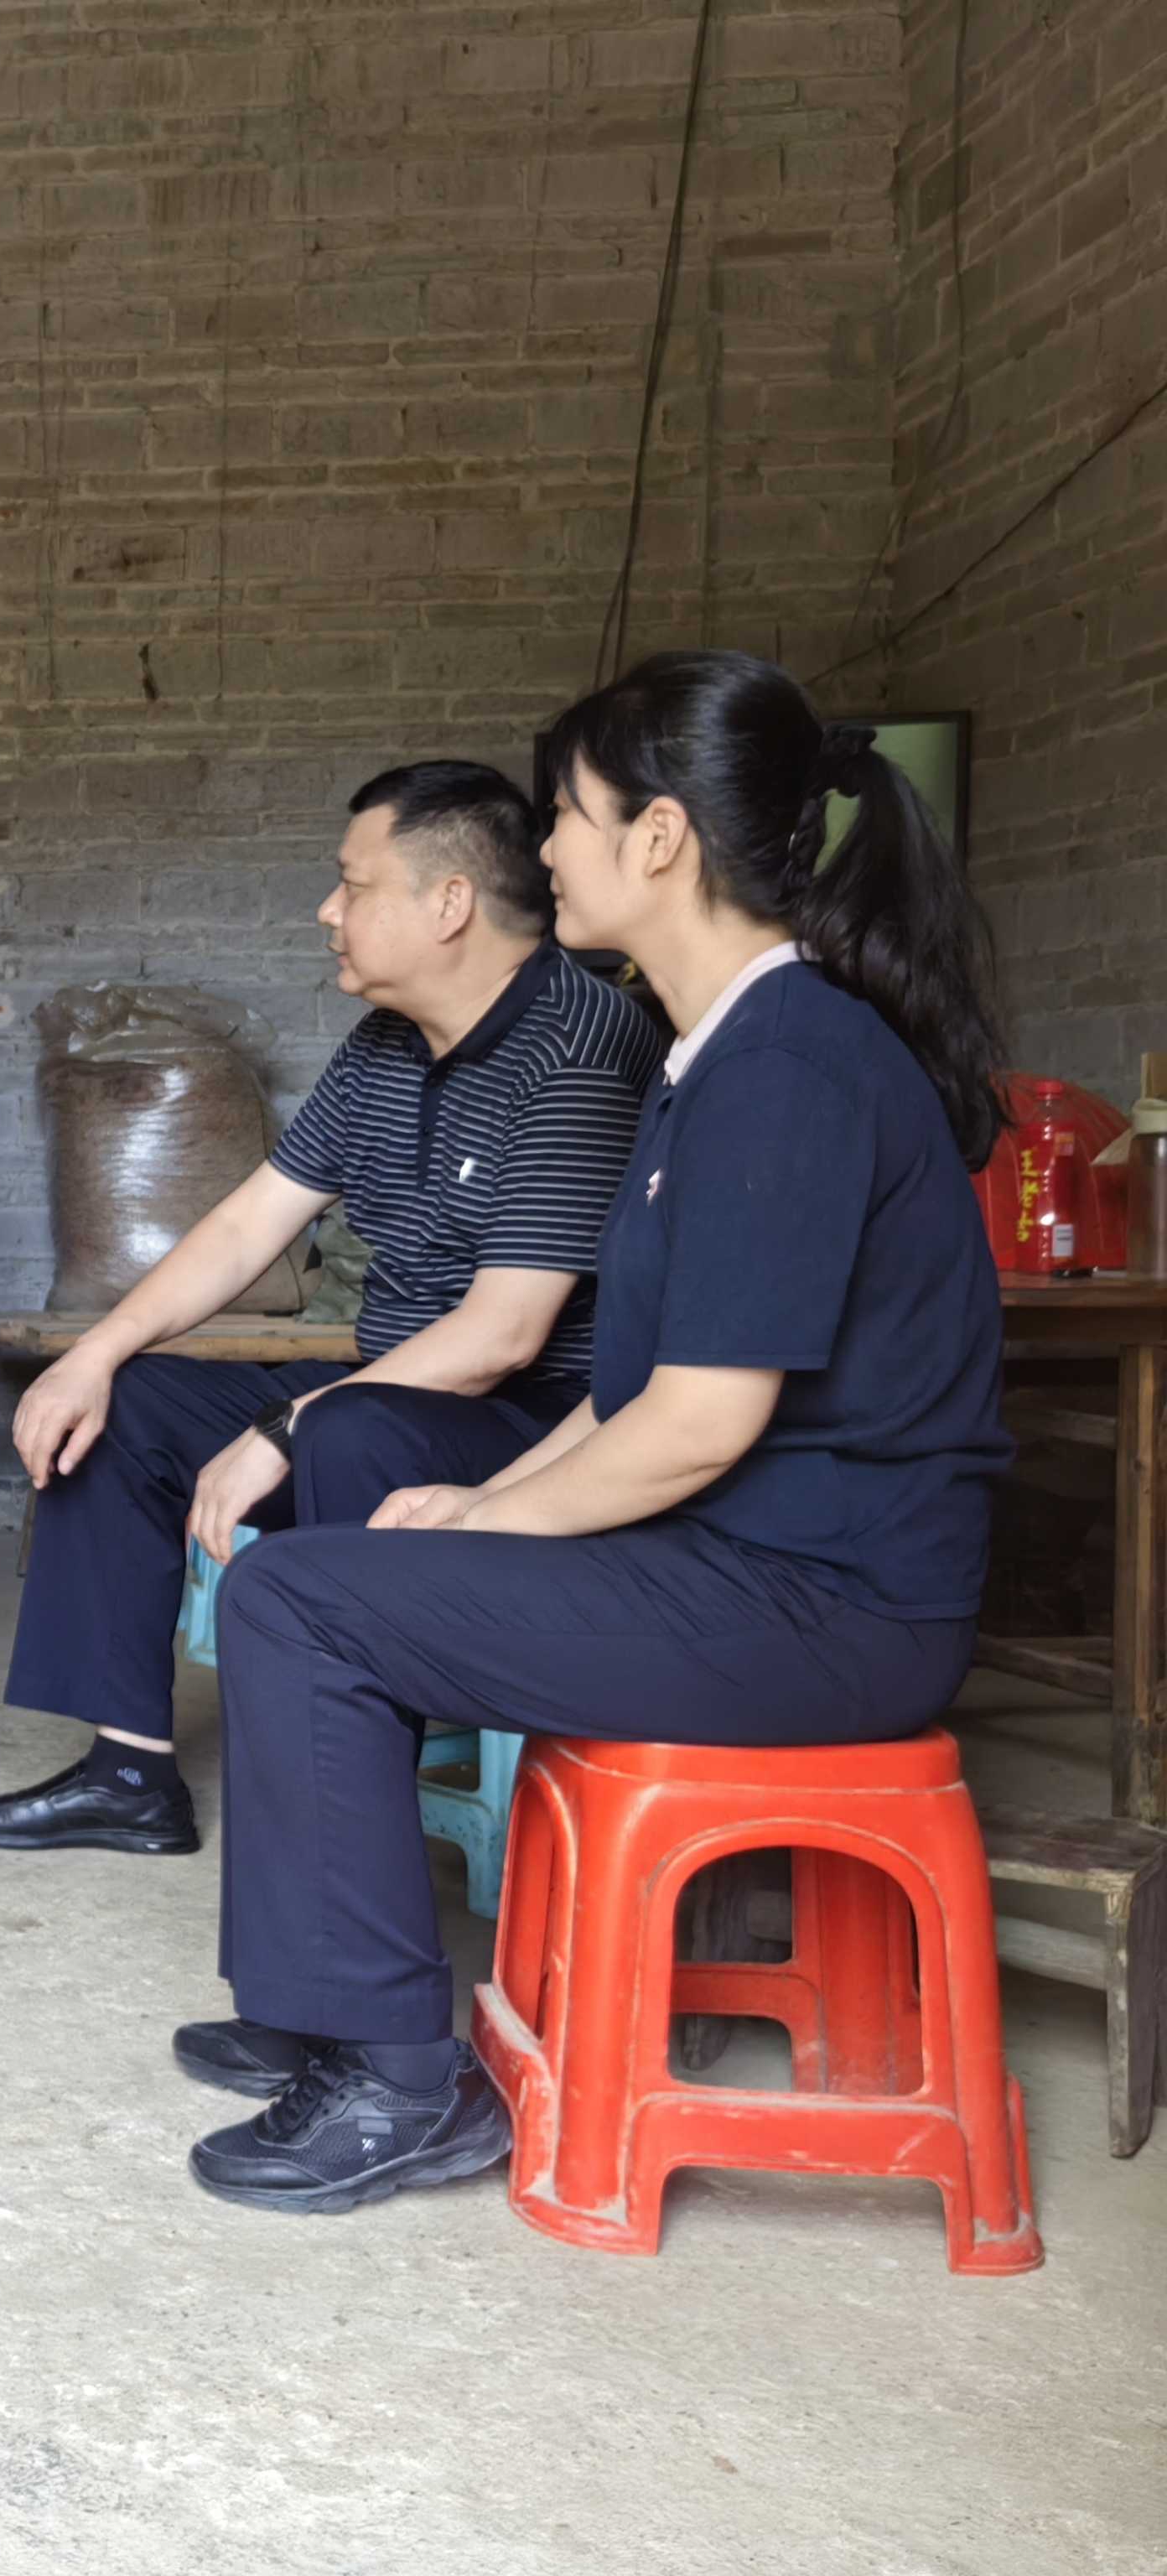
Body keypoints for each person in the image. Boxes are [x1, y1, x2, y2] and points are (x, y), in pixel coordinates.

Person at [177, 650, 1013, 2213]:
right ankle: (327, 2002)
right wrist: (481, 1497)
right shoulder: (723, 1058)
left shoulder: (787, 1066)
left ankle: (398, 2080)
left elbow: (696, 1429)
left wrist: (488, 1519)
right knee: (361, 1526)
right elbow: (628, 1400)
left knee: (300, 1602)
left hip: (830, 1605)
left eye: (564, 814)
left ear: (660, 839)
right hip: (760, 1567)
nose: (546, 848)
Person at [0, 761, 664, 1861]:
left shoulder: (578, 1049)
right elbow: (249, 1224)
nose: (329, 911)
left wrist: (287, 1426)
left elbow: (503, 1337)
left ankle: (339, 1795)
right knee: (123, 1404)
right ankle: (129, 1772)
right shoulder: (384, 1046)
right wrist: (95, 1351)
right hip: (389, 1384)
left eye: (352, 885)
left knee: (350, 1427)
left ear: (450, 903)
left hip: (536, 1419)